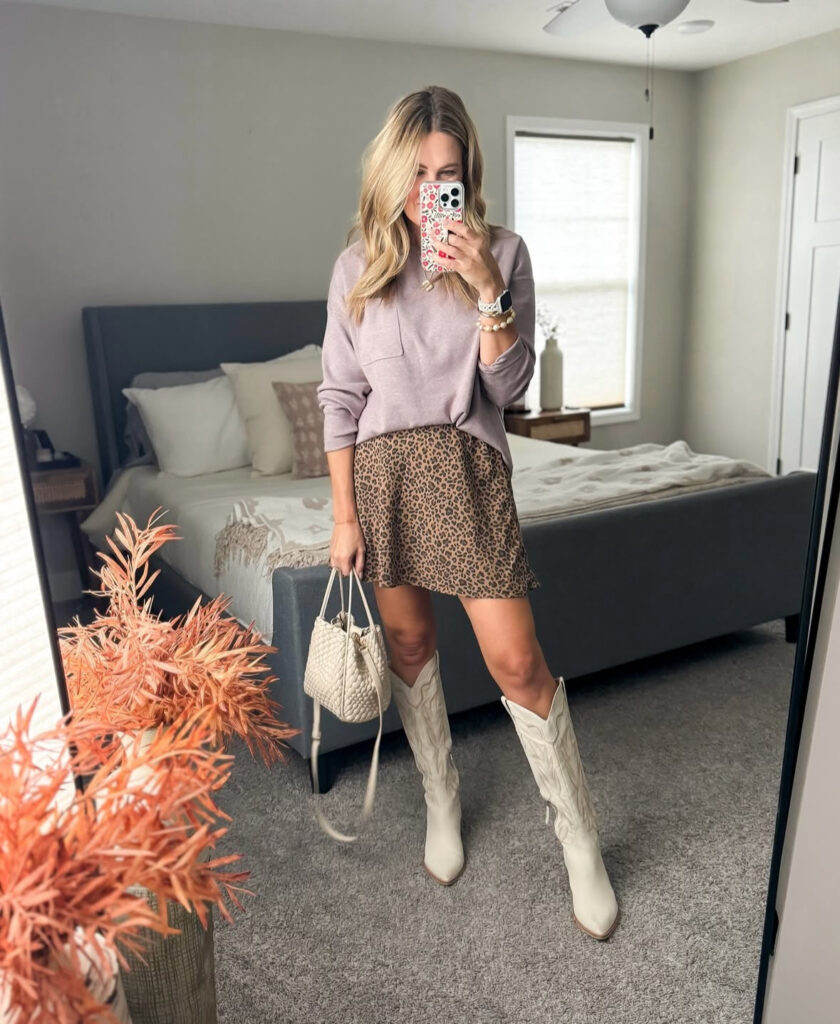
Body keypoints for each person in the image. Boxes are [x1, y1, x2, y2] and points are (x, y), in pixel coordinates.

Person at [316, 85, 619, 941]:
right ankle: (441, 807)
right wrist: (345, 517)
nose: (431, 190)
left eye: (447, 173)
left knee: (518, 663)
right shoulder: (356, 268)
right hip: (383, 477)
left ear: (468, 176)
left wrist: (487, 287)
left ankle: (580, 845)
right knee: (410, 645)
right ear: (390, 176)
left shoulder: (505, 252)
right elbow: (340, 400)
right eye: (416, 174)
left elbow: (508, 390)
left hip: (467, 468)